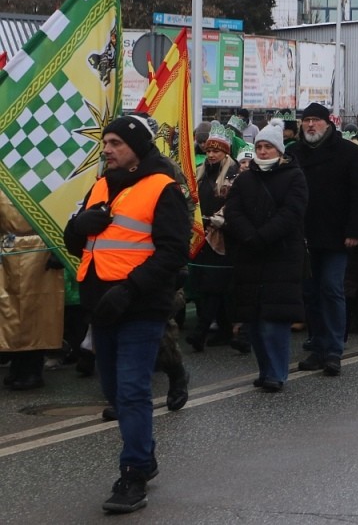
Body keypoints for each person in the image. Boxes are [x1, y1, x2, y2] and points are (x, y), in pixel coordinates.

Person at [63, 116, 189, 514]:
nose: (107, 149)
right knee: (115, 390)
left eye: (115, 142)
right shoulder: (100, 184)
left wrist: (130, 289)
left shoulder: (163, 187)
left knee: (133, 390)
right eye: (106, 143)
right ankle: (144, 454)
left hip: (140, 305)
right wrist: (78, 225)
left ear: (135, 146)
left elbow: (173, 252)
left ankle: (133, 473)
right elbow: (73, 240)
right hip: (101, 305)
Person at [221, 123, 308, 392]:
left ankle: (277, 372)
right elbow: (233, 211)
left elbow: (292, 213)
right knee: (255, 320)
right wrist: (249, 236)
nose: (263, 151)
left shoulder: (294, 176)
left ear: (279, 150)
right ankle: (265, 369)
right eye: (259, 147)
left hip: (281, 256)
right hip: (251, 256)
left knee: (275, 320)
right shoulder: (245, 179)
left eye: (268, 146)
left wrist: (263, 236)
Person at [291, 103, 358, 377]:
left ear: (328, 123)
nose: (310, 125)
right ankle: (318, 345)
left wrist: (355, 231)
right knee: (310, 292)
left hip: (337, 235)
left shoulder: (350, 153)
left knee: (332, 288)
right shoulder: (294, 153)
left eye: (316, 120)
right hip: (304, 236)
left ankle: (334, 349)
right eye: (306, 120)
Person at [187, 121, 239, 353]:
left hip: (223, 236)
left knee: (215, 285)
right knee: (207, 284)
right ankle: (224, 329)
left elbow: (234, 204)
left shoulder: (234, 174)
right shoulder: (201, 174)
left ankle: (201, 331)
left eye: (215, 150)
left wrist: (217, 220)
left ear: (225, 152)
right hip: (202, 234)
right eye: (208, 150)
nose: (210, 154)